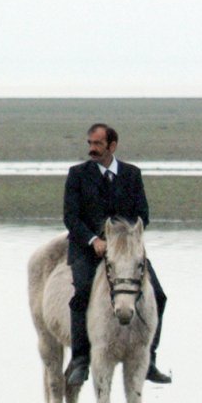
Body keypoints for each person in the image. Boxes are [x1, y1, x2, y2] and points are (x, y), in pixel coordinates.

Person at [63, 123, 171, 386]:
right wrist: (93, 240)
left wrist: (125, 238)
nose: (92, 148)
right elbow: (70, 217)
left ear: (112, 146)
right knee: (82, 293)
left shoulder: (132, 174)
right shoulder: (77, 174)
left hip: (124, 249)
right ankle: (79, 360)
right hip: (88, 249)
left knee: (158, 294)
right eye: (90, 143)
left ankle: (150, 359)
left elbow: (143, 215)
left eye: (97, 144)